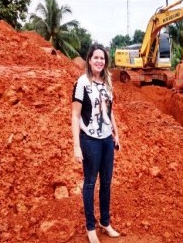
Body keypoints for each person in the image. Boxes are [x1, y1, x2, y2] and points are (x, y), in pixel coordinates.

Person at [71, 44, 120, 243]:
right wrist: (76, 146)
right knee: (90, 183)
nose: (99, 61)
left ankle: (105, 222)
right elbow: (75, 115)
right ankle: (90, 227)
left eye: (102, 58)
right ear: (89, 60)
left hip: (107, 140)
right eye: (96, 58)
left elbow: (110, 112)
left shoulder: (108, 82)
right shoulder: (82, 83)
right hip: (89, 140)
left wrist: (116, 134)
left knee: (106, 183)